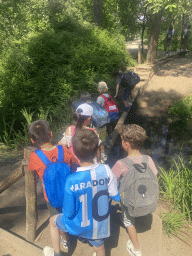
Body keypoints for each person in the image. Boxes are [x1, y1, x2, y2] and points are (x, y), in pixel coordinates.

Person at [43, 129, 121, 256]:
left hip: (78, 225)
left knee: (53, 221)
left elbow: (68, 212)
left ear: (75, 154)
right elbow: (114, 195)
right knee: (100, 248)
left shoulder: (72, 180)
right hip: (99, 226)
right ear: (97, 151)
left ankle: (57, 253)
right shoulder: (106, 169)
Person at [28, 119, 79, 249]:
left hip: (51, 196)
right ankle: (73, 230)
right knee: (70, 212)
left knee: (56, 219)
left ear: (32, 140)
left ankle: (65, 239)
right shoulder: (63, 150)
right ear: (51, 134)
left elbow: (31, 170)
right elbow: (74, 163)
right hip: (69, 191)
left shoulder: (34, 157)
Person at [112, 124, 158, 256]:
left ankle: (136, 249)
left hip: (131, 205)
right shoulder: (148, 159)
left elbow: (112, 182)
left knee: (127, 221)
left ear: (125, 144)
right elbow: (154, 177)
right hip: (147, 200)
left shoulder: (121, 164)